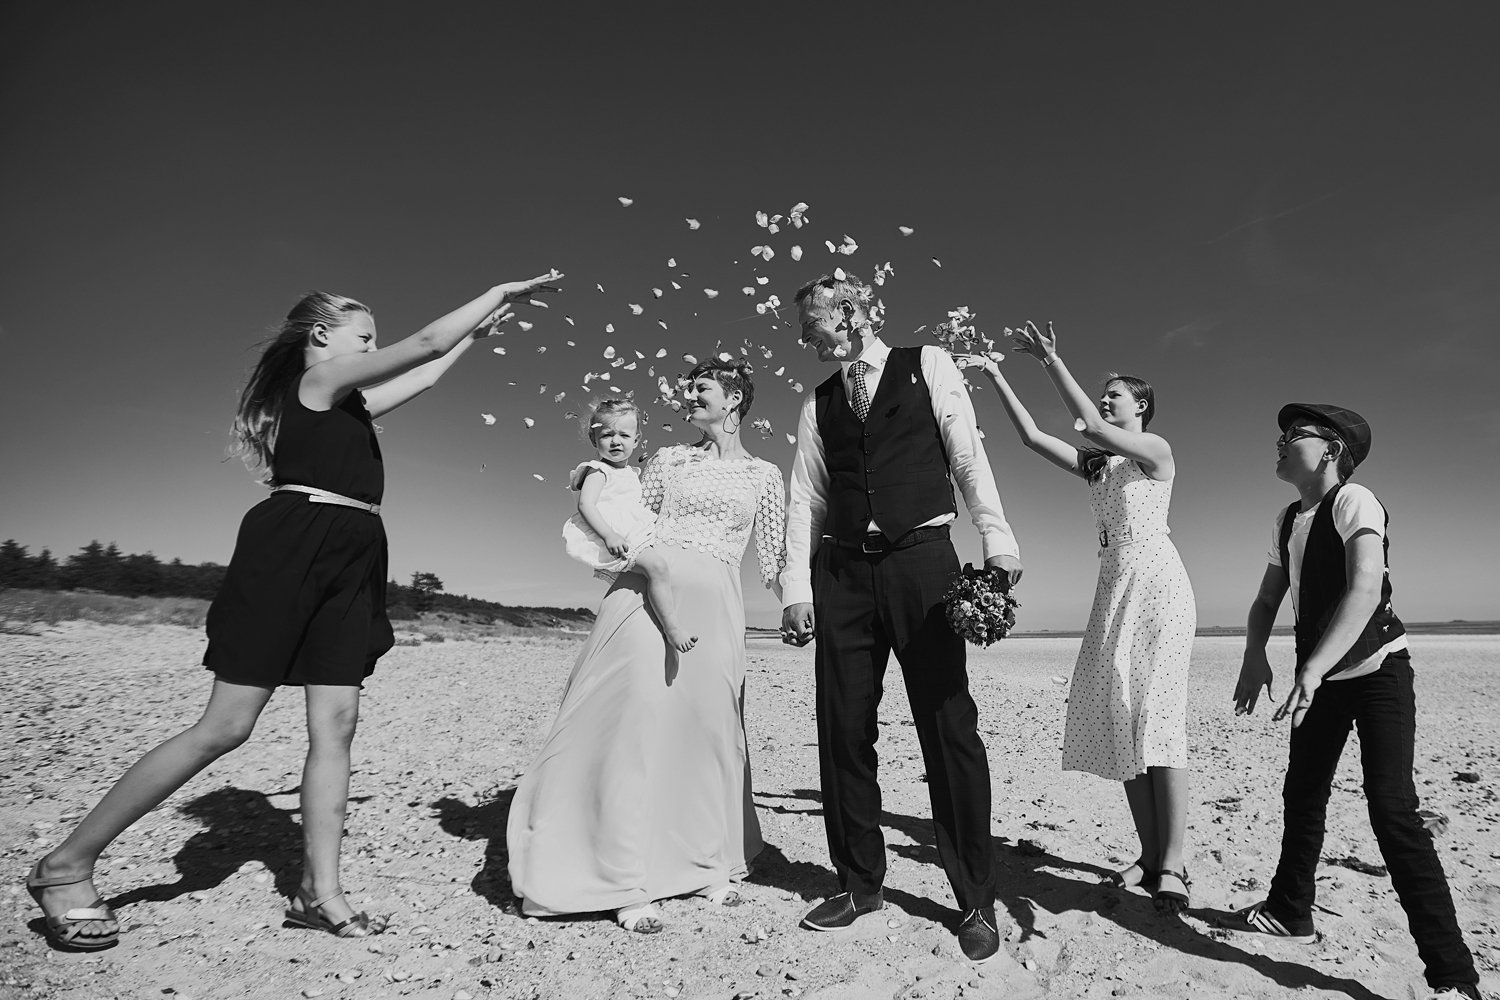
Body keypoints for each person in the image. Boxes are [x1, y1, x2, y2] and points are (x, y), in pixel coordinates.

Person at [25, 271, 562, 948]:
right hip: (294, 547)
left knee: (336, 725)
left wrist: (476, 338)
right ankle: (64, 864)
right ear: (321, 336)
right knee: (225, 727)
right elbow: (425, 344)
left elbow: (425, 373)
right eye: (365, 336)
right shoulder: (316, 386)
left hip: (354, 554)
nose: (374, 346)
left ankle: (320, 893)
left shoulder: (351, 406)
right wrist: (499, 293)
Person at [781, 273, 1022, 964]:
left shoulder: (930, 364)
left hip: (924, 562)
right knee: (843, 728)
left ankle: (975, 898)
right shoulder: (818, 401)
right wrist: (798, 586)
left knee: (949, 727)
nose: (804, 337)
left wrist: (997, 539)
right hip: (843, 575)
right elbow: (808, 497)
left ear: (849, 312)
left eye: (812, 322)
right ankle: (859, 883)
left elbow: (966, 452)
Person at [508, 358, 788, 934]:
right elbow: (630, 516)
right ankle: (622, 876)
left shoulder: (765, 473)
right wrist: (609, 541)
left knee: (705, 731)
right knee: (631, 724)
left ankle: (704, 862)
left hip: (716, 603)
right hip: (645, 597)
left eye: (702, 388)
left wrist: (801, 604)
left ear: (733, 397)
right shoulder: (665, 459)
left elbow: (777, 557)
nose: (690, 397)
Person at [1226, 403, 1481, 1000]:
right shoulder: (1289, 518)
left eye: (1295, 436)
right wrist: (1254, 655)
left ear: (1332, 449)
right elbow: (1267, 600)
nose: (1282, 443)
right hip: (1318, 680)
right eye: (1281, 436)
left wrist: (1311, 668)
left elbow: (1365, 587)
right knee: (1303, 793)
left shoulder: (1354, 500)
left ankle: (1453, 977)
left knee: (1392, 810)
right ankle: (1291, 910)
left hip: (1376, 672)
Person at [958, 322, 1196, 914]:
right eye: (1105, 392)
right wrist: (994, 375)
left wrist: (1050, 362)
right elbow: (1035, 438)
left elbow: (1088, 425)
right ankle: (1147, 855)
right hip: (1114, 587)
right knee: (1121, 717)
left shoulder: (1156, 451)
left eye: (1115, 393)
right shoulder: (1101, 468)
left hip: (1158, 585)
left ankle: (1174, 862)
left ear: (1140, 405)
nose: (1107, 400)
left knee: (1158, 721)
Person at [562, 398, 696, 652]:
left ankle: (654, 621)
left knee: (661, 568)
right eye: (607, 435)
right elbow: (586, 505)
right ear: (594, 440)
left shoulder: (631, 473)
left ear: (636, 441)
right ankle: (672, 627)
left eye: (624, 435)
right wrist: (609, 535)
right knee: (657, 567)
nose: (616, 441)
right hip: (614, 534)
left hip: (630, 531)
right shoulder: (597, 470)